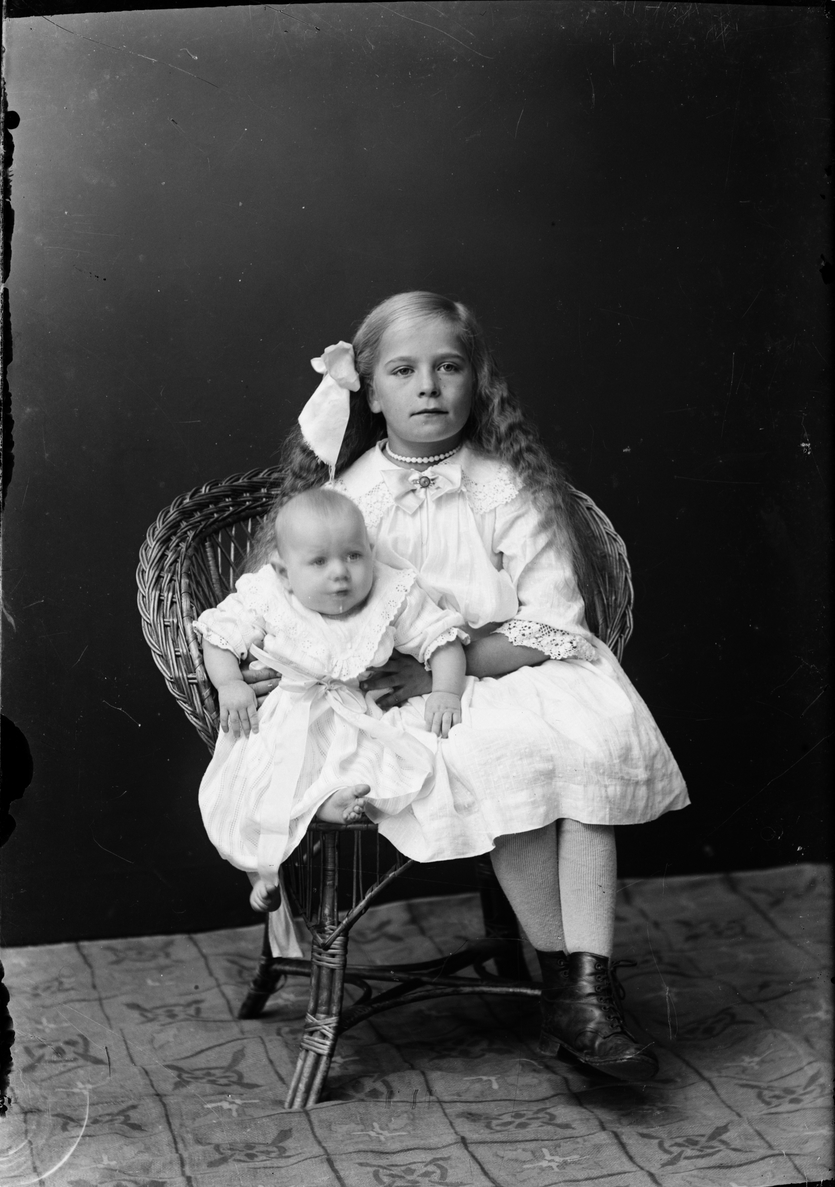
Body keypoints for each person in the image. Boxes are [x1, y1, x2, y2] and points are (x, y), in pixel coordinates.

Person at [244, 291, 690, 1082]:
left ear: (474, 381)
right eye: (403, 371)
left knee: (587, 745)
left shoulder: (505, 485)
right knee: (504, 754)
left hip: (512, 665)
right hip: (399, 690)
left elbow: (552, 616)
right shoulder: (348, 500)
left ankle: (584, 992)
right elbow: (290, 604)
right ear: (369, 393)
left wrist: (450, 663)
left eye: (448, 367)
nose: (428, 386)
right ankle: (572, 992)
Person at [195, 487, 468, 933]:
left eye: (354, 556)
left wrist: (447, 692)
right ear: (284, 572)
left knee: (368, 759)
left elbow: (443, 639)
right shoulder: (268, 593)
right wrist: (230, 684)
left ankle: (331, 801)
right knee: (253, 779)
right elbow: (219, 636)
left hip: (357, 710)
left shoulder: (390, 592)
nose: (341, 573)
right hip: (287, 711)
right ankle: (260, 873)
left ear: (370, 551)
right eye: (319, 562)